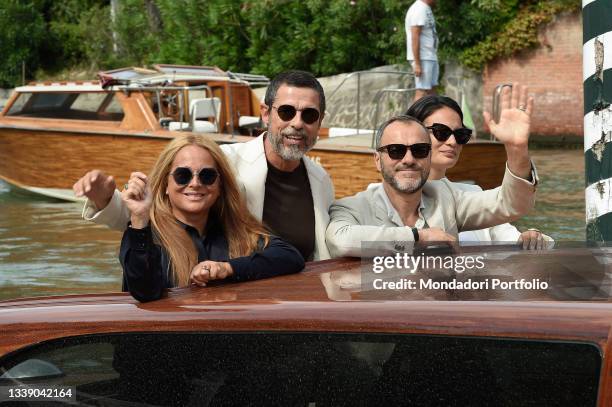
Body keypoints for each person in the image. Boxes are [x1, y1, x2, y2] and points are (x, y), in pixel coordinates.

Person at [73, 70, 334, 261]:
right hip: (233, 303)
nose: (297, 123)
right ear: (266, 114)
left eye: (309, 115)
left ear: (319, 121)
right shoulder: (220, 163)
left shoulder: (321, 179)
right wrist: (105, 199)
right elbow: (149, 212)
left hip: (299, 312)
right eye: (287, 112)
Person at [325, 84, 538, 257]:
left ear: (427, 156)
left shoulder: (449, 198)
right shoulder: (352, 207)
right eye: (396, 151)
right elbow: (340, 241)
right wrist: (418, 238)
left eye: (419, 150)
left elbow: (511, 204)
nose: (408, 159)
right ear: (377, 160)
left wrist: (516, 149)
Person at [119, 134, 304, 302]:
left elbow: (290, 257)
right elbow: (145, 292)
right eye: (182, 176)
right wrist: (140, 217)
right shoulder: (144, 235)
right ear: (166, 184)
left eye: (207, 176)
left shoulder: (236, 232)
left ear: (220, 186)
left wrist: (227, 269)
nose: (195, 184)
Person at [405, 94, 554, 250]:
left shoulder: (471, 195)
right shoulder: (388, 198)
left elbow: (512, 222)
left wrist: (517, 148)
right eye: (441, 132)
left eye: (460, 135)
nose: (452, 142)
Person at [405, 0, 439, 101]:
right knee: (421, 91)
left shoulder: (425, 8)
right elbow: (415, 36)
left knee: (432, 91)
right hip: (423, 57)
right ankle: (414, 117)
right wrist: (417, 63)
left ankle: (432, 116)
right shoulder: (418, 9)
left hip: (430, 56)